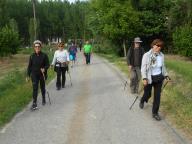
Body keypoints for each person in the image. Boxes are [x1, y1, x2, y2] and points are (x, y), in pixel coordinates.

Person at [139, 39, 170, 121]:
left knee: (157, 97)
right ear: (153, 45)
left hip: (159, 78)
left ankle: (155, 113)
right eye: (157, 45)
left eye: (160, 46)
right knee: (147, 94)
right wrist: (144, 78)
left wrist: (166, 75)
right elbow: (143, 68)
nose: (159, 47)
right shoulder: (146, 55)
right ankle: (142, 100)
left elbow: (163, 67)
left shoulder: (161, 55)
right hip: (149, 78)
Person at [27, 40, 50, 110]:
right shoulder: (32, 56)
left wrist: (44, 68)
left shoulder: (44, 55)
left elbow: (48, 64)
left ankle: (43, 98)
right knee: (35, 88)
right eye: (36, 46)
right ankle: (34, 103)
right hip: (34, 75)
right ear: (34, 47)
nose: (37, 48)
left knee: (42, 87)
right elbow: (29, 66)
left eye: (38, 46)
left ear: (40, 47)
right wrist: (27, 75)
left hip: (42, 74)